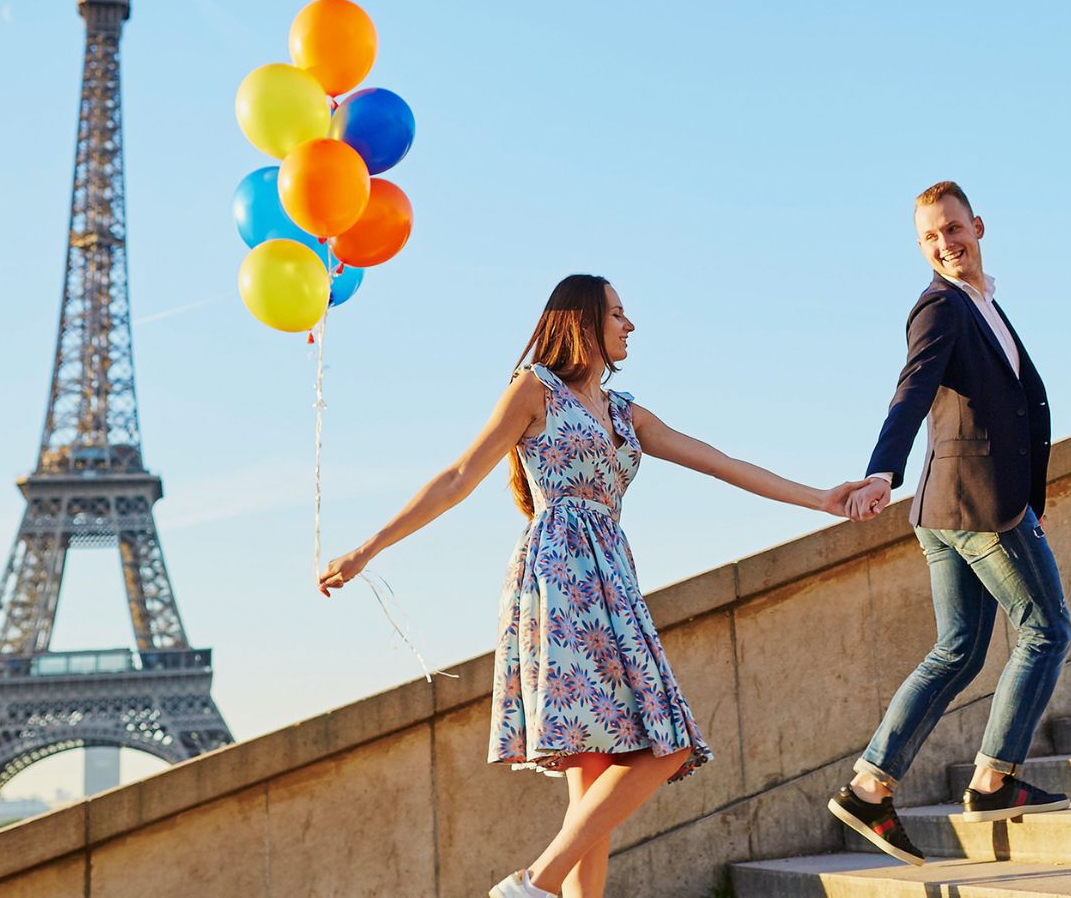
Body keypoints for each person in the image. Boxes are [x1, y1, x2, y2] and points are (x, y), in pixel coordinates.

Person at [319, 274, 869, 898]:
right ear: (582, 322)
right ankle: (533, 883)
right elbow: (457, 477)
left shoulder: (627, 413)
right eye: (616, 313)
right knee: (666, 746)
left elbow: (722, 463)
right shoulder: (535, 390)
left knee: (595, 779)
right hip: (559, 578)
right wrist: (369, 548)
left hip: (613, 578)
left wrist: (821, 497)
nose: (629, 325)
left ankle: (538, 886)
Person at [828, 182, 1071, 867]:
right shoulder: (939, 307)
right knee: (1047, 629)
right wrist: (882, 471)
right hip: (975, 504)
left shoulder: (981, 303)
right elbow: (911, 391)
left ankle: (870, 786)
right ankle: (993, 779)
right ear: (921, 247)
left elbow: (1011, 406)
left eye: (953, 229)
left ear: (979, 226)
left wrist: (1032, 492)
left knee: (959, 650)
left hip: (949, 510)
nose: (945, 243)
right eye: (932, 237)